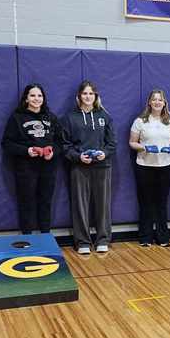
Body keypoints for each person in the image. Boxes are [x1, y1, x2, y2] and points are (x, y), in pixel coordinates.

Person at [60, 80, 116, 255]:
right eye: (85, 93)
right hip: (79, 167)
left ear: (96, 96)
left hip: (102, 166)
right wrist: (78, 157)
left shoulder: (104, 116)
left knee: (103, 204)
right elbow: (64, 145)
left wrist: (104, 154)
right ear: (79, 96)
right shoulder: (69, 118)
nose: (88, 96)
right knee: (80, 204)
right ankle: (83, 241)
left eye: (91, 93)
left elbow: (112, 143)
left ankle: (102, 239)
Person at [1, 83, 59, 235]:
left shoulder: (51, 117)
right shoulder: (17, 117)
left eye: (39, 95)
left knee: (45, 202)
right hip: (26, 168)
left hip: (47, 168)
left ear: (44, 98)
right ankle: (28, 238)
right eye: (32, 95)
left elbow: (60, 142)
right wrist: (26, 151)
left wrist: (53, 152)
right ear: (26, 98)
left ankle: (46, 236)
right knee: (27, 203)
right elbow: (6, 143)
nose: (36, 98)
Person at [129, 89, 170, 247]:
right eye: (154, 99)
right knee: (146, 202)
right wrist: (144, 148)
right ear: (149, 102)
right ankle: (145, 237)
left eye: (160, 100)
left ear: (164, 103)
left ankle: (163, 237)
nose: (157, 102)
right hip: (144, 166)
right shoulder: (140, 121)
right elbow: (132, 142)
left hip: (165, 166)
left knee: (161, 202)